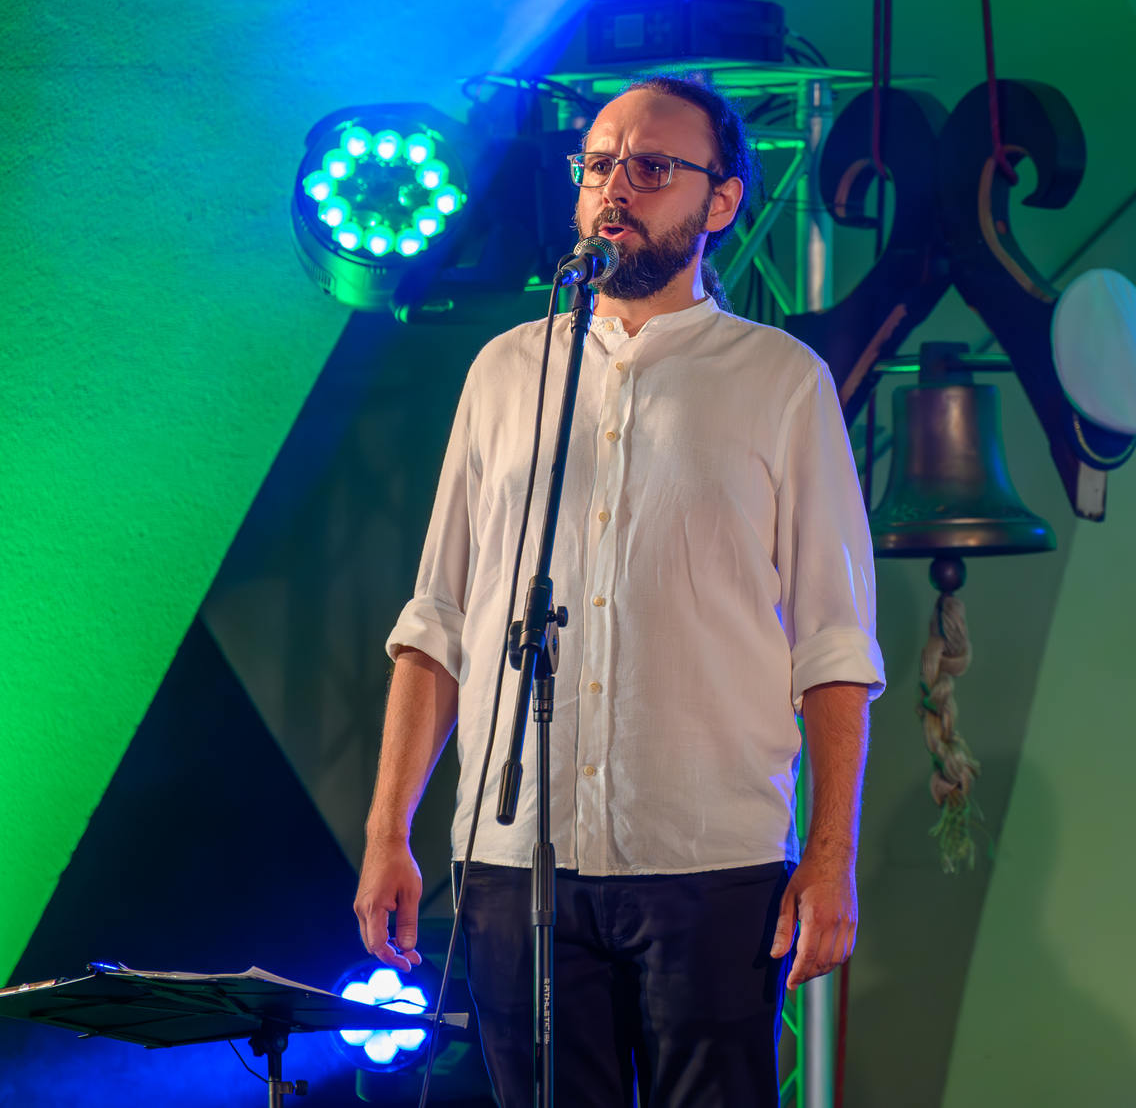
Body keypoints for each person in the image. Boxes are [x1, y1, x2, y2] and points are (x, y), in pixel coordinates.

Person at [352, 71, 886, 1107]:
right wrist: (389, 831)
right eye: (598, 164)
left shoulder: (781, 380)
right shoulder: (506, 371)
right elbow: (438, 621)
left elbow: (833, 642)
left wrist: (831, 857)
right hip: (513, 855)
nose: (615, 188)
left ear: (720, 201)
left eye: (650, 167)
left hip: (709, 857)